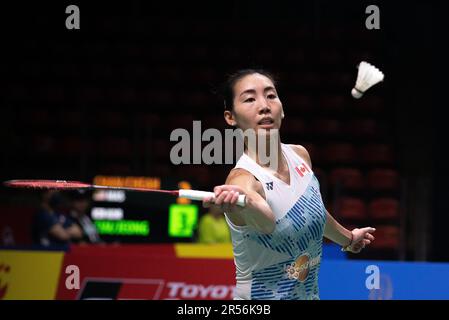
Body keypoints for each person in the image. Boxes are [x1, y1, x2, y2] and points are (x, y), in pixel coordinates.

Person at [203, 69, 376, 300]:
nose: (264, 105)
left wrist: (349, 239)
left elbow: (311, 212)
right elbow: (266, 222)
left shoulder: (300, 155)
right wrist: (243, 202)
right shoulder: (243, 181)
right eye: (249, 99)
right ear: (230, 117)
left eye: (270, 95)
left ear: (282, 109)